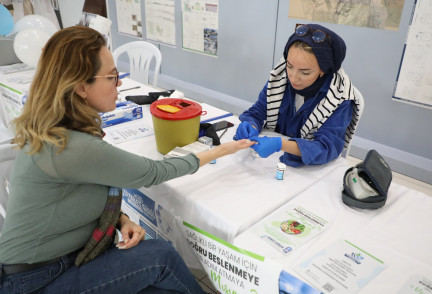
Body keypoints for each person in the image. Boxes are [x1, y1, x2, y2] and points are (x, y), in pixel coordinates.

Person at [0, 26, 253, 294]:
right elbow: (153, 172)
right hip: (37, 280)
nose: (119, 83)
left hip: (51, 264)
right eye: (111, 76)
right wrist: (217, 151)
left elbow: (79, 193)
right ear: (80, 87)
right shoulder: (70, 145)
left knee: (162, 285)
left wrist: (121, 220)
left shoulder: (57, 129)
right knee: (161, 256)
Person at [235, 24, 362, 167]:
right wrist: (250, 124)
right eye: (289, 66)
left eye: (305, 72)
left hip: (308, 171)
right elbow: (258, 111)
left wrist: (280, 144)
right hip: (269, 165)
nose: (293, 78)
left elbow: (326, 148)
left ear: (323, 70)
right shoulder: (280, 76)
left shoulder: (340, 98)